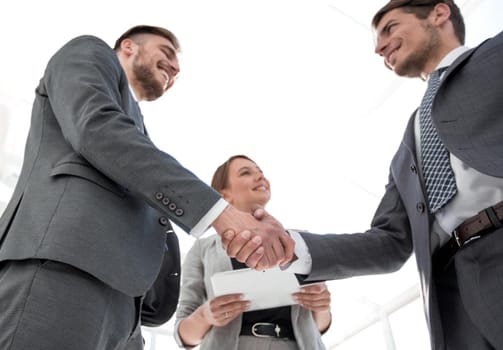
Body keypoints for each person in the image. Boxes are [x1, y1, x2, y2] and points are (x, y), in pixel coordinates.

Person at [222, 1, 503, 349]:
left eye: (390, 28)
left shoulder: (495, 56)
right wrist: (295, 247)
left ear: (439, 13)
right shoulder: (408, 145)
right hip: (452, 298)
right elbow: (390, 243)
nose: (379, 46)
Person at [0, 25, 294, 350]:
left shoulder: (138, 126)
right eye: (166, 52)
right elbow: (98, 130)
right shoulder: (90, 52)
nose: (175, 67)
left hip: (128, 311)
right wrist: (220, 214)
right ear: (128, 46)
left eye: (178, 65)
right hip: (66, 269)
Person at [174, 155, 331, 350]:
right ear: (223, 195)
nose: (260, 177)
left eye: (261, 172)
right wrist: (205, 315)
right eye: (246, 172)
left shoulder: (300, 242)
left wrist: (321, 306)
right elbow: (184, 335)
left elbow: (320, 325)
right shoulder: (203, 249)